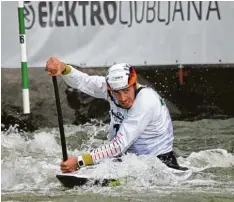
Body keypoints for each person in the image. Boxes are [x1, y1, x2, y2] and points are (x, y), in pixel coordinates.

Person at [46, 56, 187, 173]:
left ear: (134, 85)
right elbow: (84, 82)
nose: (123, 98)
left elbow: (119, 144)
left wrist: (79, 161)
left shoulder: (146, 101)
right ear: (110, 88)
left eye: (126, 90)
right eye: (117, 93)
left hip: (159, 165)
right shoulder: (110, 89)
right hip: (128, 161)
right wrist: (63, 68)